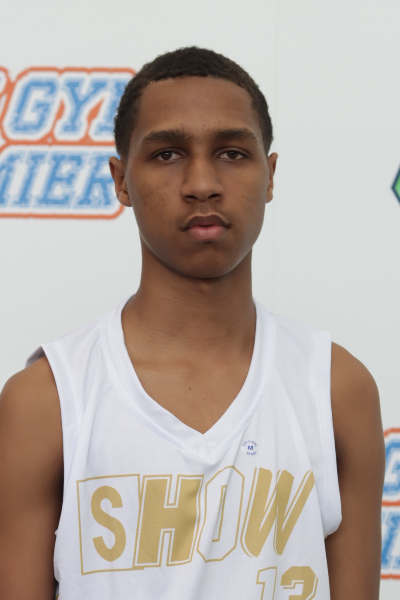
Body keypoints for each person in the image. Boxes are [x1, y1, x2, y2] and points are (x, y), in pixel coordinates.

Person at [0, 47, 384, 600]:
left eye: (232, 152)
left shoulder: (335, 389)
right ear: (121, 181)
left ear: (270, 175)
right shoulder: (48, 400)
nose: (202, 182)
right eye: (167, 154)